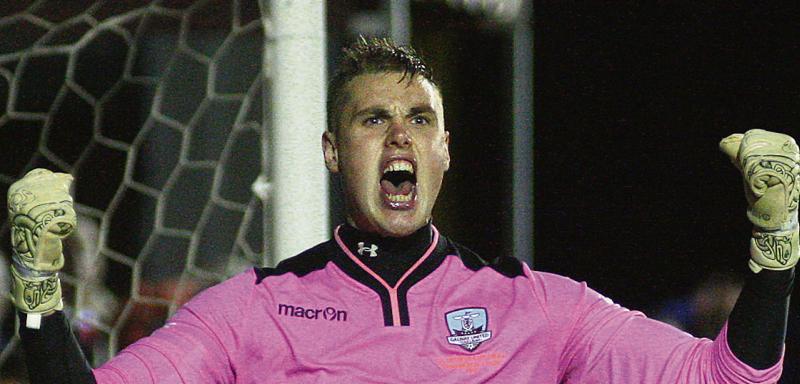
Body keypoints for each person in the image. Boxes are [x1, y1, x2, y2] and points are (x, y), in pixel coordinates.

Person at [7, 37, 798, 383]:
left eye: (419, 120)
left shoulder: (540, 307)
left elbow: (728, 377)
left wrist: (775, 248)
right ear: (330, 151)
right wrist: (40, 298)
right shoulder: (247, 313)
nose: (399, 136)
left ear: (444, 151)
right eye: (372, 119)